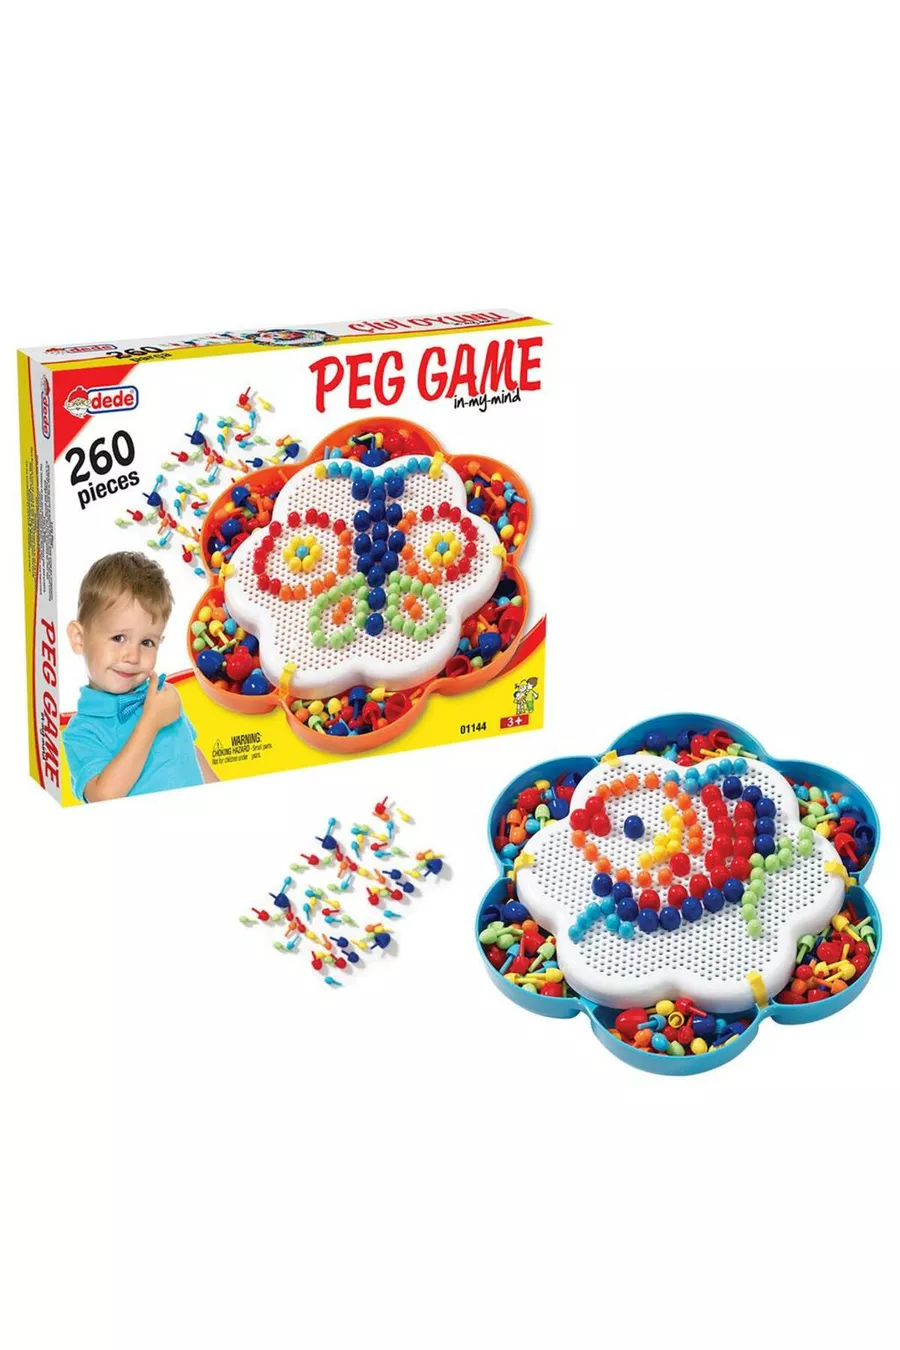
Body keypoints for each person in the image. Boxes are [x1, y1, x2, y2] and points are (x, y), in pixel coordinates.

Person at [63, 552, 216, 801]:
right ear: (79, 639)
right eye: (118, 638)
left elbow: (191, 752)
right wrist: (150, 722)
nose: (133, 656)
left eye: (147, 642)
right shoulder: (82, 731)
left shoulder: (162, 696)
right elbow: (103, 797)